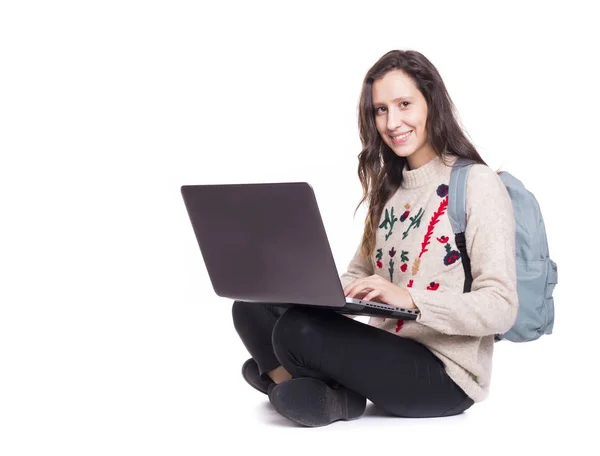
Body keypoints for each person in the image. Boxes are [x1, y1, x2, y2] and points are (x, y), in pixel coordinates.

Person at [231, 49, 518, 427]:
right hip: (387, 352)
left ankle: (287, 382)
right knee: (252, 307)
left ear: (432, 102)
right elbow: (357, 274)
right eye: (380, 109)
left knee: (296, 330)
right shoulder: (389, 191)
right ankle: (320, 394)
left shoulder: (477, 184)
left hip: (444, 375)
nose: (392, 121)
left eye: (404, 104)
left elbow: (501, 307)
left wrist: (412, 300)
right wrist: (311, 289)